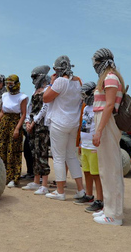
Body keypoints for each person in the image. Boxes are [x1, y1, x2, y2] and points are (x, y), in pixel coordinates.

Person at [43, 55, 86, 201]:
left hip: (59, 123)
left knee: (59, 158)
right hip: (73, 123)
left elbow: (46, 98)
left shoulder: (60, 81)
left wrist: (51, 82)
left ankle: (60, 191)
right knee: (71, 156)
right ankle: (81, 189)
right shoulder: (78, 81)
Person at [91, 48, 124, 226]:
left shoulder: (110, 77)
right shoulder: (108, 78)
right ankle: (109, 208)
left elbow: (109, 105)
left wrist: (99, 130)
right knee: (105, 168)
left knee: (111, 169)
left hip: (107, 122)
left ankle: (115, 214)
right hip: (104, 121)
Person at [0, 75, 28, 188]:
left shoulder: (22, 97)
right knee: (2, 148)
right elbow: (2, 111)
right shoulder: (4, 95)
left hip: (15, 122)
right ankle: (2, 175)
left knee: (13, 149)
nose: (9, 85)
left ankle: (13, 177)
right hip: (4, 122)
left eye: (11, 83)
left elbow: (23, 114)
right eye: (7, 83)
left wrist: (17, 128)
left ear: (17, 83)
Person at [74, 81, 104, 213]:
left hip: (94, 146)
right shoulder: (86, 108)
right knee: (86, 171)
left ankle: (100, 199)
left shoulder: (98, 108)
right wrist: (80, 143)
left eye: (85, 94)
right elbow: (83, 125)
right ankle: (89, 195)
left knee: (96, 173)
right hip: (85, 144)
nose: (83, 97)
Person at [22, 65, 51, 195]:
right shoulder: (35, 91)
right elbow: (30, 109)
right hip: (33, 126)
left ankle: (44, 184)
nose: (33, 79)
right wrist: (27, 121)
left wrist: (33, 122)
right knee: (34, 153)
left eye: (35, 76)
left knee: (42, 153)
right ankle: (36, 180)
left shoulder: (47, 90)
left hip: (42, 126)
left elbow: (45, 109)